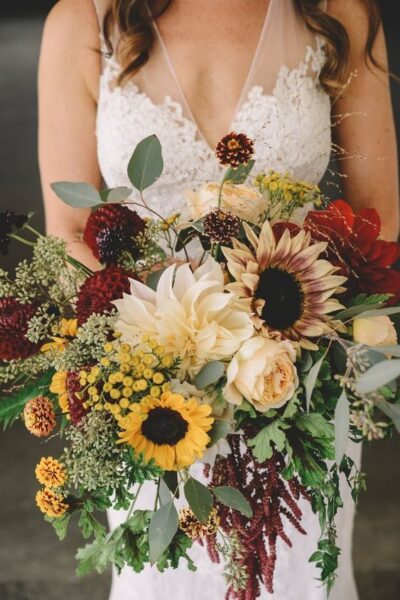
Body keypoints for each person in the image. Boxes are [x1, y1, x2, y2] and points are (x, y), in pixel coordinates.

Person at [38, 1, 399, 598]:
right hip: (148, 394)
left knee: (303, 577)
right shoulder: (82, 19)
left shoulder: (337, 12)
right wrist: (162, 341)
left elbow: (377, 220)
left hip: (295, 380)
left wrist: (282, 331)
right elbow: (69, 231)